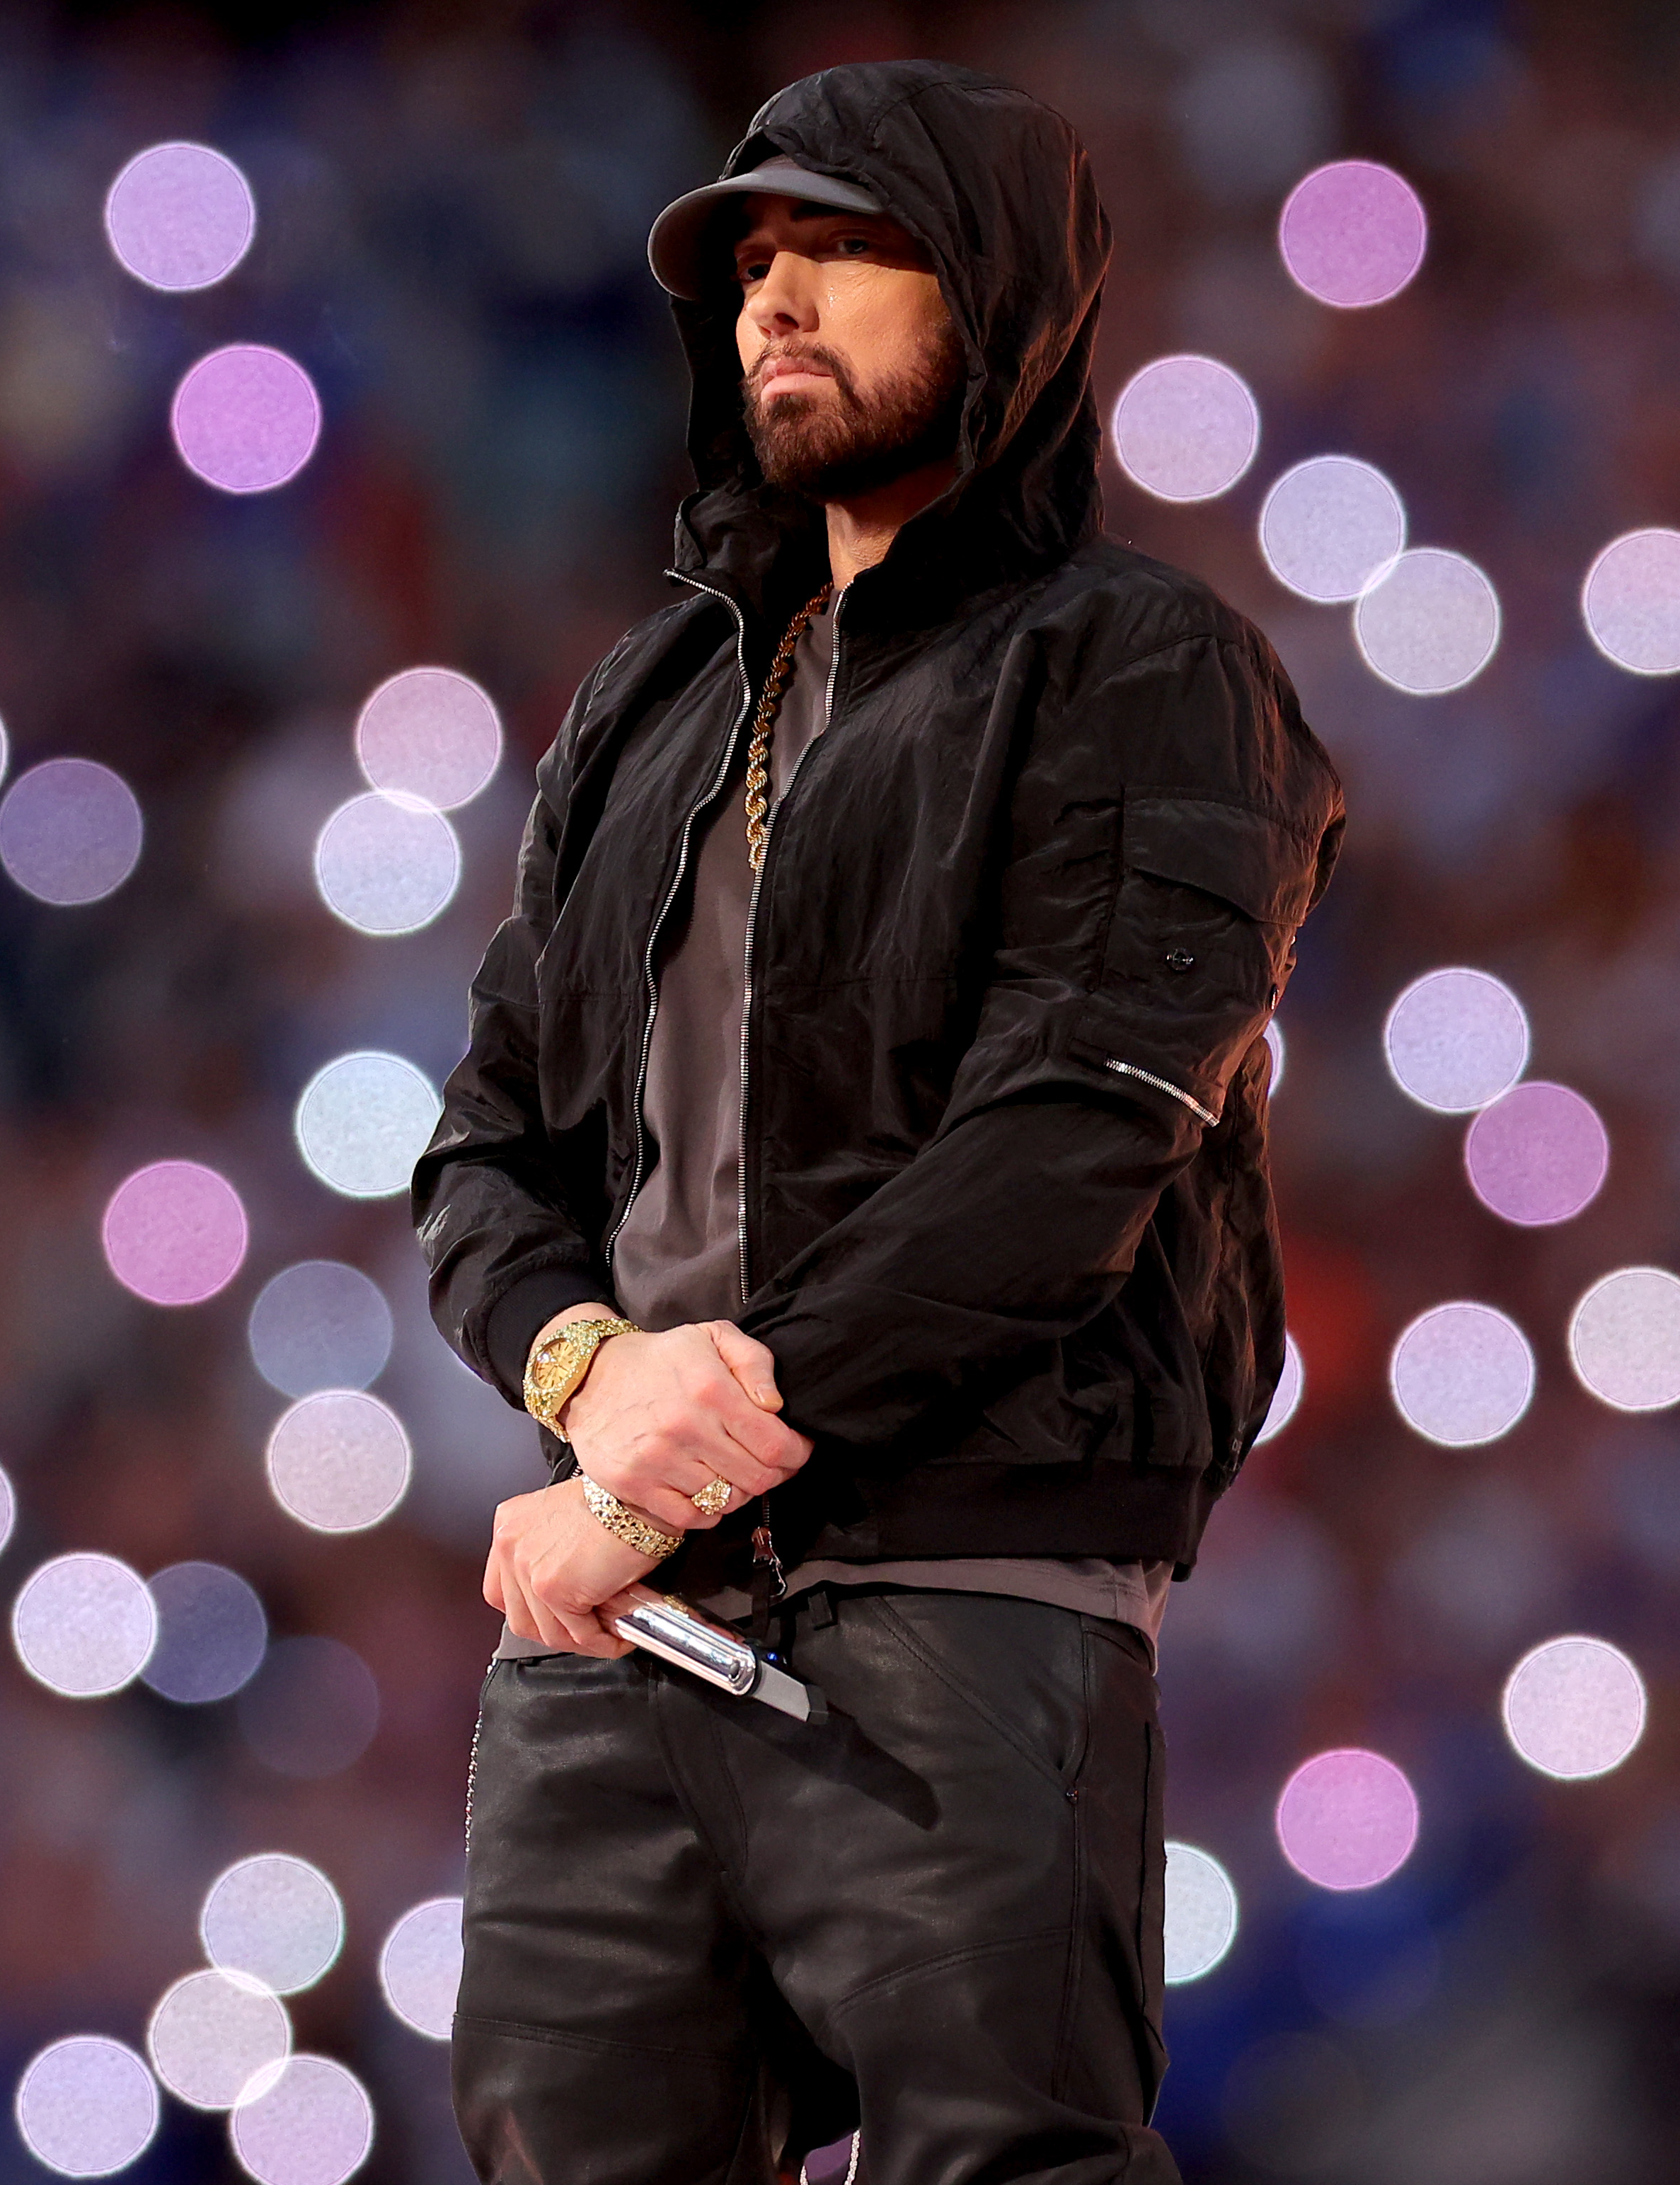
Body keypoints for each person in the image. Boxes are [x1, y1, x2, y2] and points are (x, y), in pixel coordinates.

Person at [412, 59, 1345, 2185]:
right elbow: (485, 1141)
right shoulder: (656, 697)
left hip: (956, 1585)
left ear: (1004, 300)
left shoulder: (1142, 663)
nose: (778, 296)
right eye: (755, 256)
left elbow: (1071, 1144)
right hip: (615, 1625)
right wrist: (584, 1373)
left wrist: (657, 1471)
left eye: (848, 246)